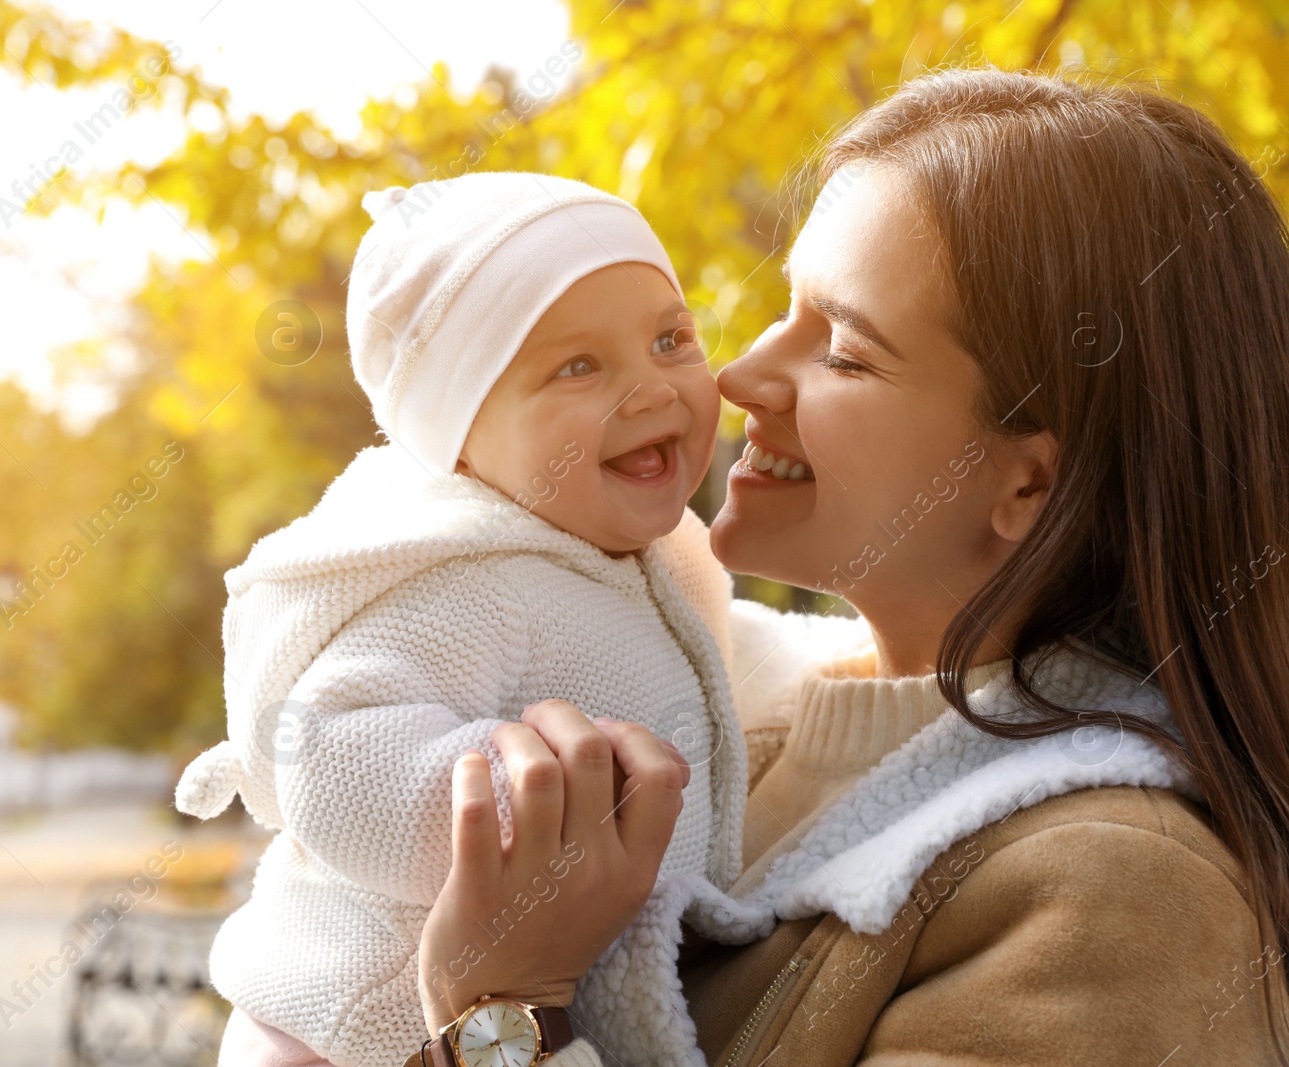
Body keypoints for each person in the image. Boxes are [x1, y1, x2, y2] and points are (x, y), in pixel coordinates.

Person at [413, 68, 1289, 1067]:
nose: (738, 375)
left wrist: (495, 1010)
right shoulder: (728, 734)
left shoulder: (1118, 897)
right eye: (788, 310)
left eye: (843, 352)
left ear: (1029, 485)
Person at [174, 171, 867, 1067]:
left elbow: (725, 650)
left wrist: (861, 656)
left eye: (670, 338)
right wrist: (520, 808)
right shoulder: (471, 578)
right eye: (578, 366)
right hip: (350, 1027)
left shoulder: (645, 557)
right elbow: (331, 746)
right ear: (460, 439)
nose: (651, 389)